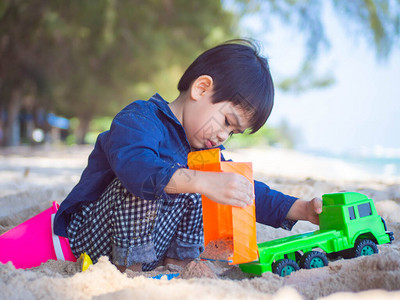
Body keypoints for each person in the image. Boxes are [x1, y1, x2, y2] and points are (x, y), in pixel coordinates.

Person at [54, 39, 322, 273]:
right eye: (227, 121)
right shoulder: (140, 119)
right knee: (168, 182)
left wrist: (302, 208)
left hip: (150, 247)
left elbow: (247, 192)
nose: (223, 136)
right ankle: (130, 273)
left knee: (209, 181)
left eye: (233, 133)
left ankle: (179, 266)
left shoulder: (204, 151)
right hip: (91, 240)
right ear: (201, 88)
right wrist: (202, 181)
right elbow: (137, 170)